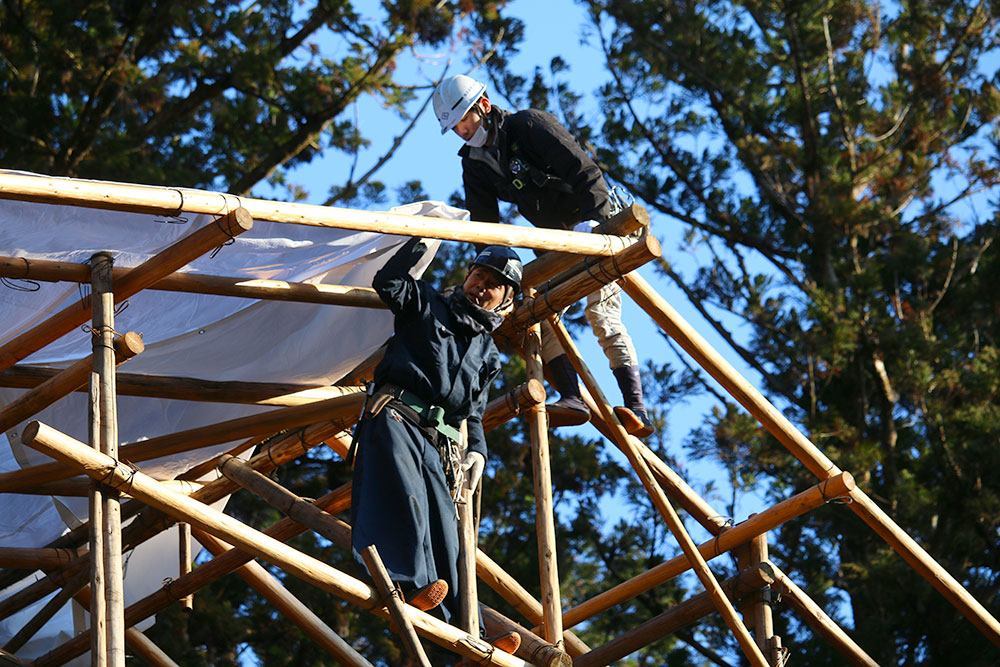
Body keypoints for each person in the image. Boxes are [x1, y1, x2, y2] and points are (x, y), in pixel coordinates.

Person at [432, 74, 653, 437]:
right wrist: (495, 275)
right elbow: (486, 230)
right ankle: (573, 398)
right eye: (454, 127)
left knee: (601, 312)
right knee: (538, 311)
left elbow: (583, 169)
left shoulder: (529, 126)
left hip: (595, 223)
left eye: (463, 121)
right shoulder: (474, 163)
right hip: (555, 243)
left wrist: (599, 225)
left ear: (483, 107)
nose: (461, 131)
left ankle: (638, 409)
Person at [350, 237, 521, 652]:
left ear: (505, 299)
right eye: (478, 274)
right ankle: (409, 585)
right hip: (396, 416)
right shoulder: (426, 303)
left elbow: (473, 413)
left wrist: (477, 449)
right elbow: (388, 282)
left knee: (449, 533)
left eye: (493, 283)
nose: (481, 284)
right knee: (404, 498)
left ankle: (470, 632)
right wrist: (421, 239)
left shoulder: (488, 352)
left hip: (439, 441)